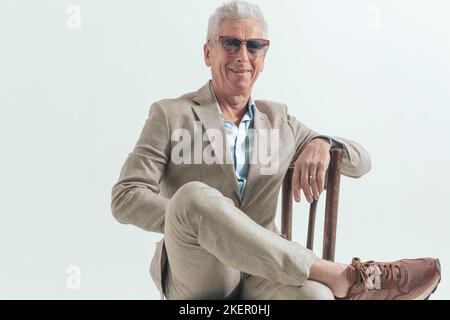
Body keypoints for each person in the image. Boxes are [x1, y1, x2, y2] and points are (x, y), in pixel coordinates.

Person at [111, 1, 440, 300]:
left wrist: (323, 143)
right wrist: (197, 221)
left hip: (264, 271)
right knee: (194, 196)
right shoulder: (170, 114)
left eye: (254, 46)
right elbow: (125, 196)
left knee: (318, 298)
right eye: (231, 43)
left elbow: (361, 162)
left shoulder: (279, 121)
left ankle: (336, 280)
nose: (243, 55)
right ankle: (342, 274)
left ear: (263, 58)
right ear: (208, 53)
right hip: (198, 268)